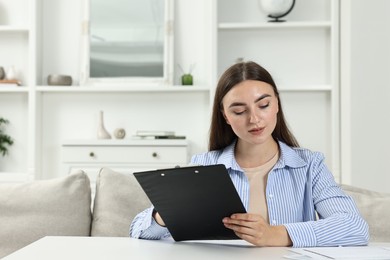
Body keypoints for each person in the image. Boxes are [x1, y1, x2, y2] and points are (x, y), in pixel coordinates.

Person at [130, 61, 369, 247]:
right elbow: (138, 231)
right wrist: (167, 214)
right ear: (225, 116)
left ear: (277, 104)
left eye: (263, 105)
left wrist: (277, 234)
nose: (254, 119)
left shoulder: (309, 165)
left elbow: (355, 227)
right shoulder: (204, 165)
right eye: (239, 111)